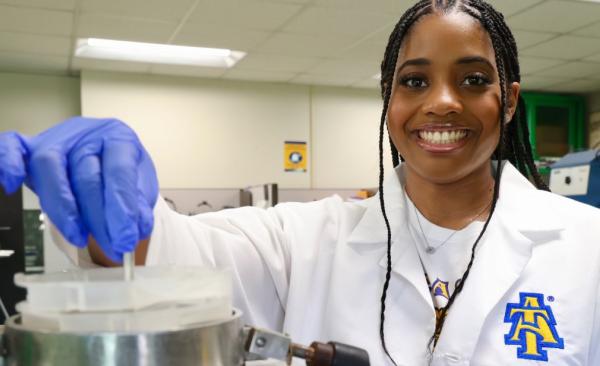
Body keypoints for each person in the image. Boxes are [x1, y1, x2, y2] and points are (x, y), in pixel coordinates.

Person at [1, 0, 599, 364]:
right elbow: (174, 263)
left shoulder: (587, 245)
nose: (441, 104)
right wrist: (107, 207)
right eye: (414, 82)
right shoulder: (305, 242)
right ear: (388, 100)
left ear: (511, 100)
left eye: (472, 80)